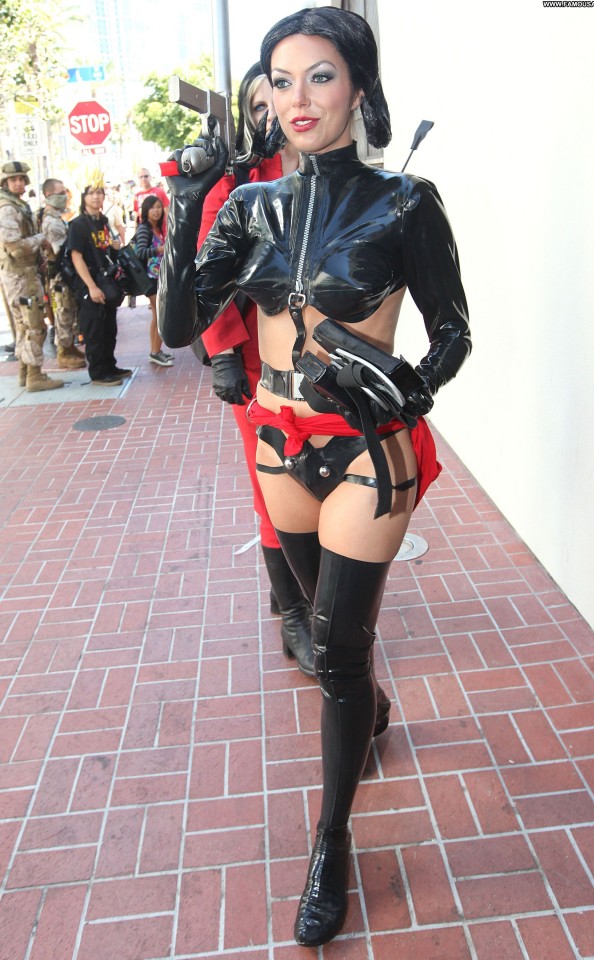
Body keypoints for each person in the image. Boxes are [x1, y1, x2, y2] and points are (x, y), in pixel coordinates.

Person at [158, 7, 471, 946]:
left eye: (321, 76)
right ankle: (368, 706)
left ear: (358, 88)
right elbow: (177, 326)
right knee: (329, 638)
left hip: (366, 450)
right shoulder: (248, 208)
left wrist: (411, 387)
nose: (299, 98)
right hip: (276, 443)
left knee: (333, 650)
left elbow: (454, 329)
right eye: (281, 81)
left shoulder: (406, 202)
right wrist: (188, 205)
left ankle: (331, 841)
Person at [195, 62, 314, 675]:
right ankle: (295, 614)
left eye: (284, 95)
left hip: (325, 358)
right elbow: (206, 274)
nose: (277, 113)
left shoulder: (329, 172)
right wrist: (221, 352)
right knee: (275, 478)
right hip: (256, 361)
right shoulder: (235, 185)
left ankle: (297, 586)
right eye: (260, 106)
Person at [0, 160, 63, 392]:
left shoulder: (17, 205)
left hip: (24, 273)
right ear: (5, 182)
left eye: (21, 179)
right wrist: (40, 239)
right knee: (35, 326)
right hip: (20, 275)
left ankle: (25, 372)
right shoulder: (8, 208)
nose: (18, 183)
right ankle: (34, 376)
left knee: (24, 327)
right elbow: (15, 247)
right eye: (13, 179)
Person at [67, 184, 131, 386]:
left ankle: (109, 366)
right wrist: (91, 287)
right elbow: (76, 257)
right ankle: (98, 373)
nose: (96, 197)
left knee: (109, 328)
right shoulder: (78, 225)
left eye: (99, 193)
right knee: (94, 330)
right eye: (91, 193)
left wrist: (114, 247)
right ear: (84, 197)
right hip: (89, 285)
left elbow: (106, 251)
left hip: (106, 282)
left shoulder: (103, 221)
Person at [40, 178, 86, 370]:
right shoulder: (51, 222)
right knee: (63, 311)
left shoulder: (57, 218)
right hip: (59, 275)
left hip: (64, 274)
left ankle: (69, 347)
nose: (64, 196)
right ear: (48, 195)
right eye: (60, 193)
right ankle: (63, 351)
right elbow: (61, 252)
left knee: (69, 309)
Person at [133, 195, 173, 366]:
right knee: (159, 315)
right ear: (145, 210)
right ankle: (155, 352)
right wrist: (160, 249)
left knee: (160, 315)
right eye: (152, 208)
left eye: (158, 207)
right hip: (150, 280)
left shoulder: (158, 228)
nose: (156, 211)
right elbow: (140, 252)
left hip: (159, 278)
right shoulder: (144, 229)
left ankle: (157, 350)